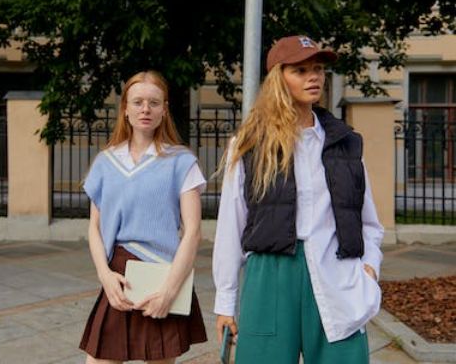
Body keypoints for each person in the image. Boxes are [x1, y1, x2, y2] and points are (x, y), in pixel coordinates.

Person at [212, 35, 384, 363]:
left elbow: (369, 222)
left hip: (336, 272)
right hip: (270, 276)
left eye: (317, 69)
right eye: (301, 70)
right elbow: (230, 227)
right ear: (279, 79)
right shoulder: (250, 144)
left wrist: (369, 269)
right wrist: (225, 302)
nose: (313, 77)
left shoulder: (345, 142)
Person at [79, 70, 208, 363]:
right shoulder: (106, 162)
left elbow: (193, 233)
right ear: (125, 109)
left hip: (162, 276)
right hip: (118, 277)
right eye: (138, 102)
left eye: (154, 102)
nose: (145, 109)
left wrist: (169, 292)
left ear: (164, 110)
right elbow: (94, 228)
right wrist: (105, 276)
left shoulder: (182, 162)